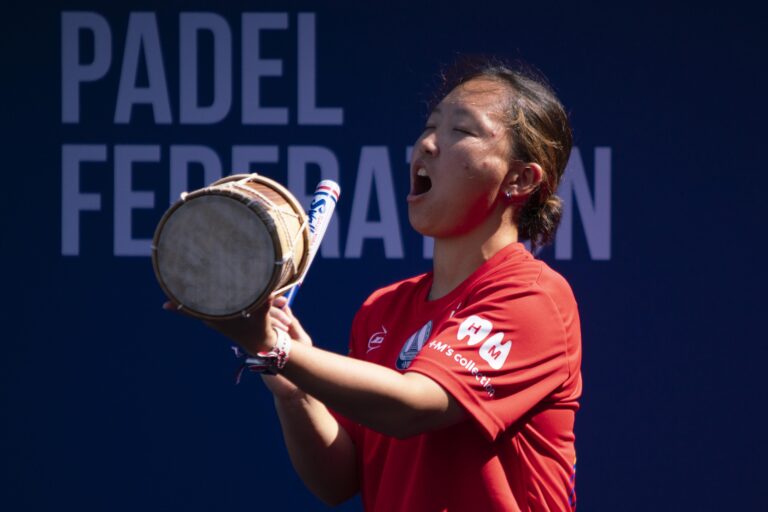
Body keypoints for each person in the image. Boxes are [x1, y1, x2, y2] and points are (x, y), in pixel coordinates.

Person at [169, 57, 581, 511]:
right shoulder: (382, 308)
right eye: (429, 126)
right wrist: (293, 386)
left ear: (520, 179)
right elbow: (338, 480)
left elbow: (412, 407)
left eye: (461, 131)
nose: (427, 144)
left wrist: (276, 348)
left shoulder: (533, 297)